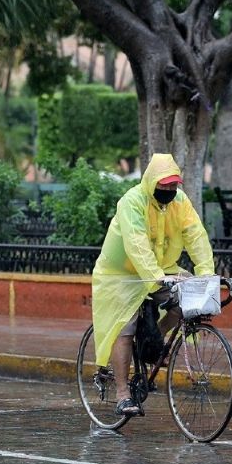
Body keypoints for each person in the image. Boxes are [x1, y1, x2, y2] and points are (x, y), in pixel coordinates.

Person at [91, 153, 214, 416]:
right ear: (151, 182)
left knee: (188, 303)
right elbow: (136, 245)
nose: (169, 190)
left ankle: (152, 343)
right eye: (164, 185)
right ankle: (124, 394)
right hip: (120, 275)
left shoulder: (180, 203)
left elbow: (196, 236)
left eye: (173, 185)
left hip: (163, 270)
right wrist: (157, 277)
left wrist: (205, 276)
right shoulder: (132, 202)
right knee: (124, 325)